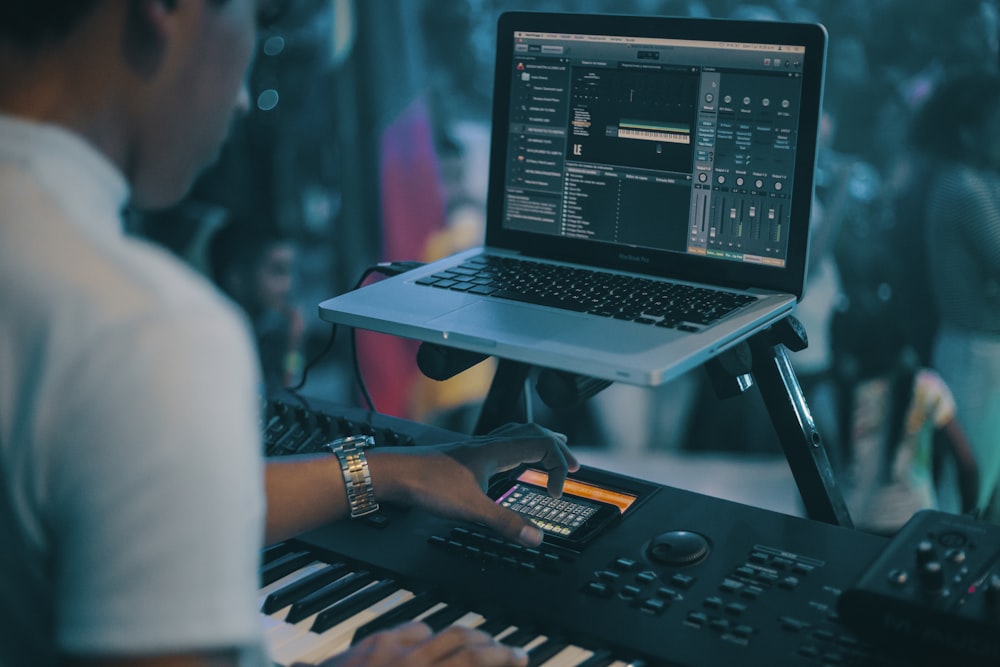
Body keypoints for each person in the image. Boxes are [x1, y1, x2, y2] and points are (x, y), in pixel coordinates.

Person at [0, 2, 578, 667]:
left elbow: (123, 504)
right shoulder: (145, 329)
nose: (245, 98)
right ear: (167, 11)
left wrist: (388, 470)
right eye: (251, 19)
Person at [908, 67, 1000, 522]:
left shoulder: (956, 181)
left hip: (967, 348)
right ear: (968, 130)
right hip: (976, 354)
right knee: (966, 492)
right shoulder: (966, 190)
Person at [828, 290, 979, 536]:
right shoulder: (926, 388)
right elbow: (968, 465)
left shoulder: (827, 396)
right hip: (916, 524)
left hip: (851, 525)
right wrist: (967, 526)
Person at [208, 220, 306, 389]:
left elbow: (287, 392)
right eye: (277, 270)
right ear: (237, 277)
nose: (288, 285)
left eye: (291, 271)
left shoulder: (268, 334)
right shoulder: (214, 343)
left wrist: (293, 347)